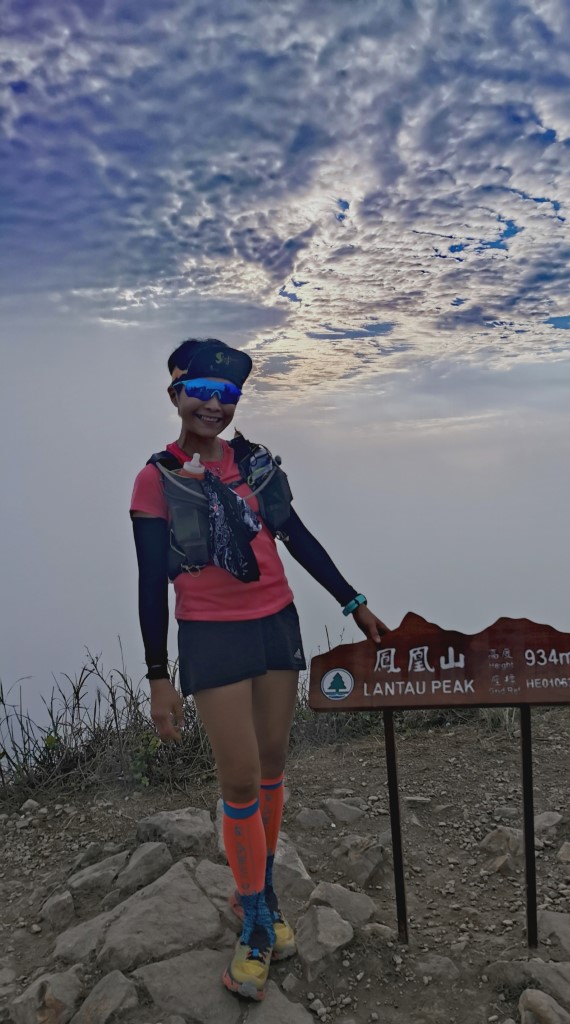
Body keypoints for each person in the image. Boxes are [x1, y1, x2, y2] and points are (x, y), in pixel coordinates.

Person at [130, 338, 387, 1001]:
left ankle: (259, 896)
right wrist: (159, 676)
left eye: (227, 396)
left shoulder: (256, 464)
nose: (214, 407)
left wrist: (352, 601)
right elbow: (150, 581)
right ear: (176, 395)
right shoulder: (156, 478)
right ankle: (253, 921)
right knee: (239, 778)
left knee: (272, 767)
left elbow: (296, 535)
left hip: (276, 623)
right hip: (211, 635)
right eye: (202, 394)